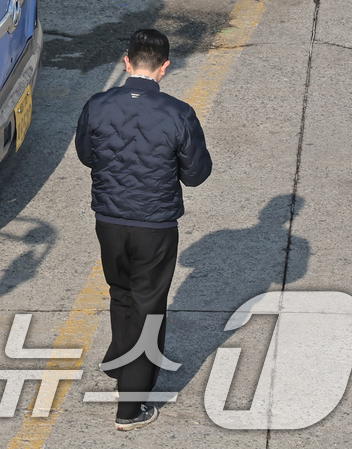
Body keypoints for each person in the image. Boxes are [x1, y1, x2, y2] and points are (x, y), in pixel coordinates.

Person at [75, 28, 211, 431]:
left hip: (109, 222)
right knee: (149, 306)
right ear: (165, 67)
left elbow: (86, 155)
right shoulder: (178, 113)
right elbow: (196, 174)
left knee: (121, 292)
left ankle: (121, 362)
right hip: (154, 226)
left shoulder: (97, 105)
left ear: (126, 61)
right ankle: (130, 408)